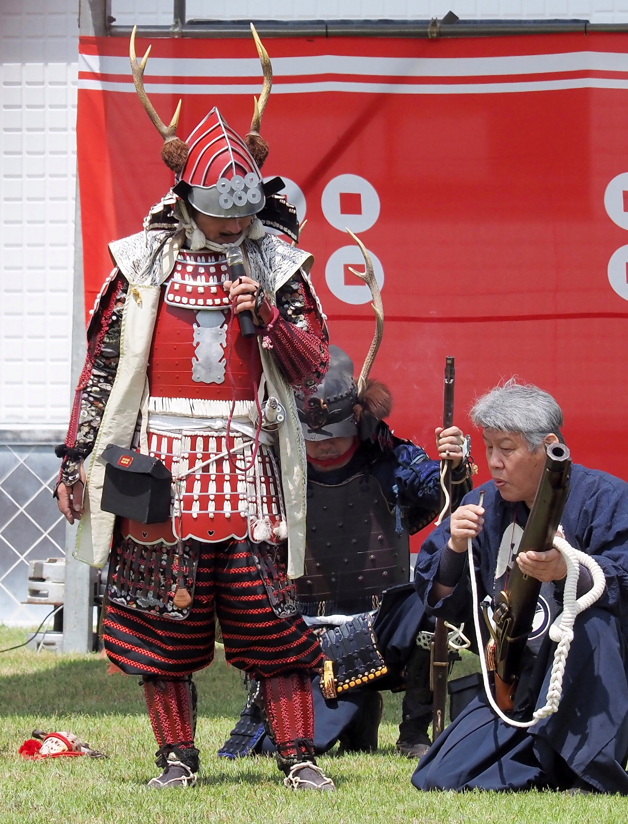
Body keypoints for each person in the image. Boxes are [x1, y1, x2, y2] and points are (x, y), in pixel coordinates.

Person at [54, 30, 337, 789]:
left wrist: (270, 319)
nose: (232, 228)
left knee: (271, 619)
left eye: (241, 216)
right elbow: (104, 369)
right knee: (158, 623)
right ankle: (177, 757)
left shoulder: (280, 266)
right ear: (188, 201)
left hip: (250, 466)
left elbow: (315, 371)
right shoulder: (140, 263)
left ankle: (298, 756)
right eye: (219, 216)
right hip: (159, 463)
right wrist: (76, 458)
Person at [218, 345, 473, 760]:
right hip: (301, 627)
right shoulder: (273, 464)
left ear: (358, 420)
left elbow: (446, 496)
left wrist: (455, 464)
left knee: (430, 604)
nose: (324, 448)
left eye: (334, 437)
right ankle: (345, 710)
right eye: (313, 440)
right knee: (270, 745)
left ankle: (413, 731)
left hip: (381, 623)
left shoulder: (390, 458)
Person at [411, 380, 628, 794]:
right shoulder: (483, 501)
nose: (494, 462)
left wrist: (567, 569)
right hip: (513, 676)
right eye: (489, 447)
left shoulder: (608, 497)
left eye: (507, 449)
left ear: (547, 446)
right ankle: (550, 766)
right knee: (437, 776)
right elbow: (441, 601)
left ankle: (585, 764)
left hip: (588, 670)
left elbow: (623, 585)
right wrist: (454, 546)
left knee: (588, 619)